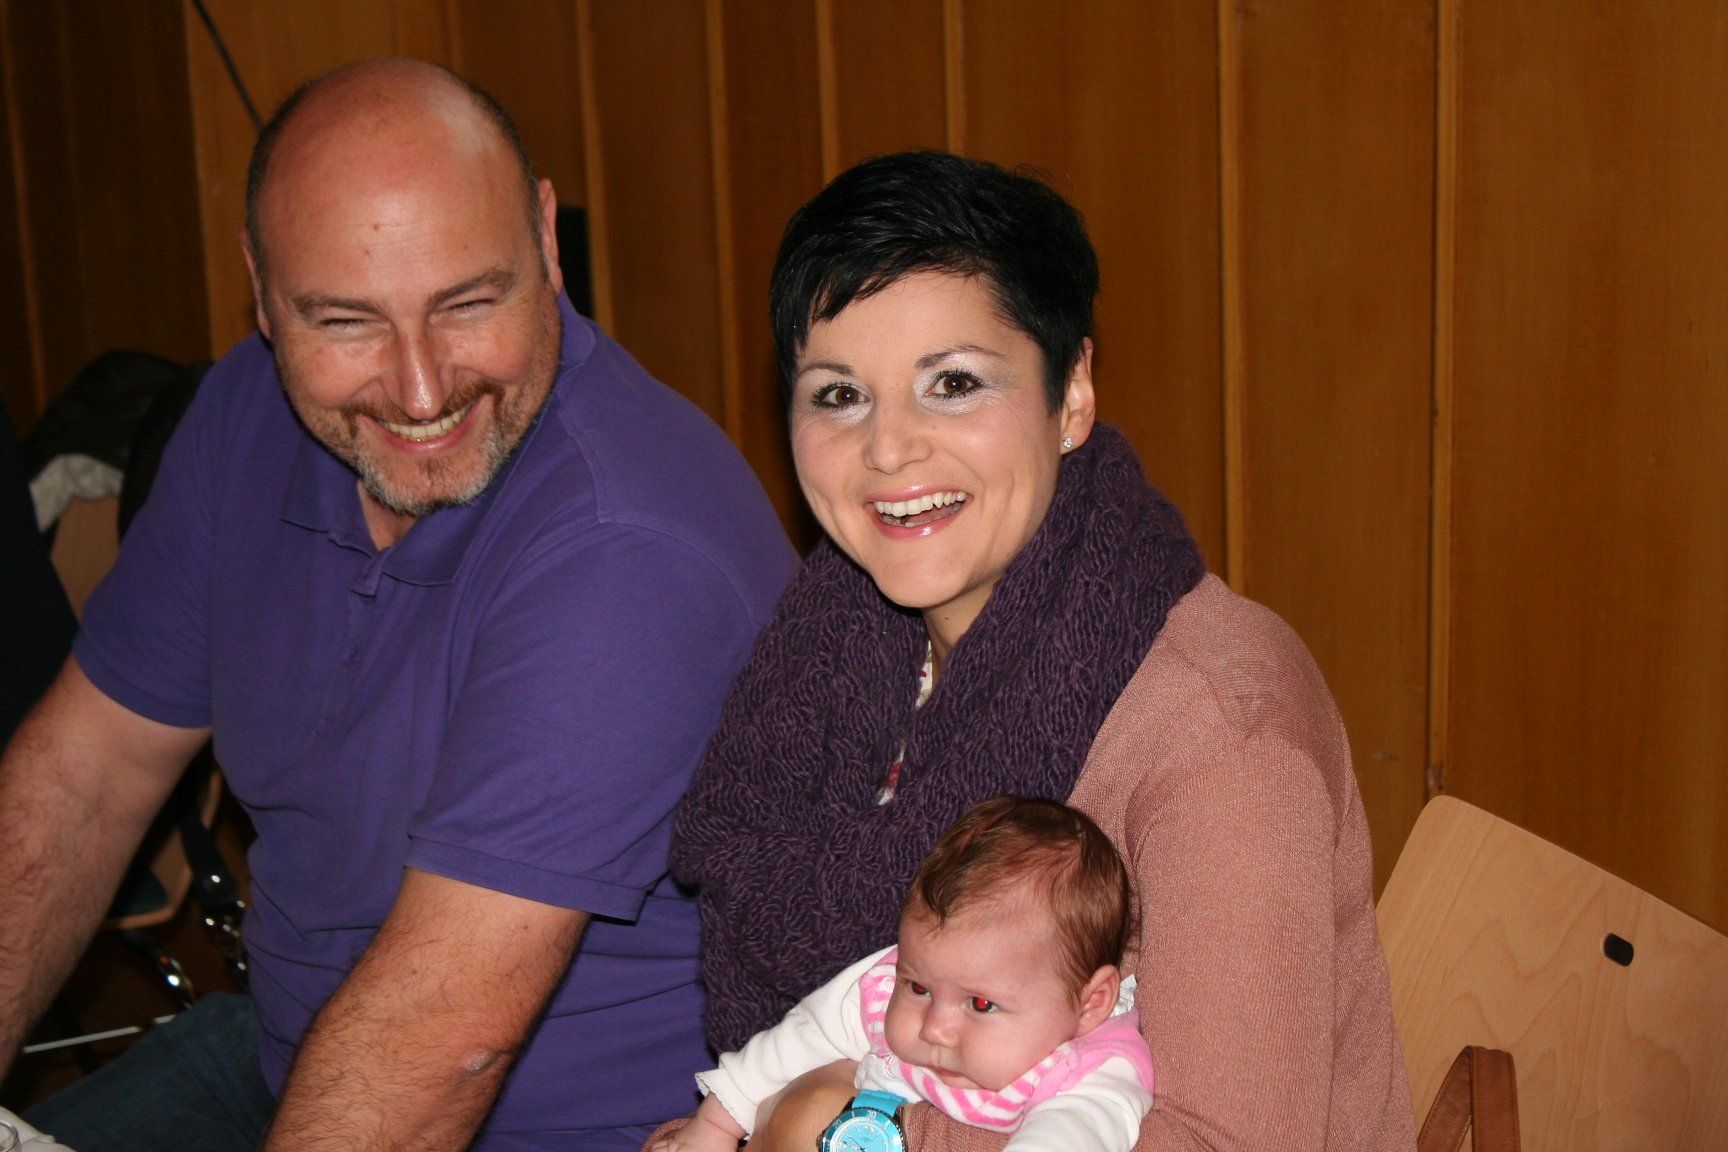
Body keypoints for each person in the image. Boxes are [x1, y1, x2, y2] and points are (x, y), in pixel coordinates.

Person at [0, 59, 794, 1151]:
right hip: (288, 1051)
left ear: (546, 241)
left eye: (468, 304)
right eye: (346, 323)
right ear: (261, 292)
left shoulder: (631, 545)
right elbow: (84, 778)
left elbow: (444, 1040)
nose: (422, 392)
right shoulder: (244, 414)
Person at [663, 151, 1417, 1151]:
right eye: (839, 395)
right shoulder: (834, 654)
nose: (888, 449)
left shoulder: (1220, 733)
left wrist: (837, 1123)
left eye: (953, 384)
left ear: (1072, 395)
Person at [657, 797, 1154, 1152]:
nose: (934, 1028)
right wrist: (717, 1124)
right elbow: (801, 1037)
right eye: (918, 988)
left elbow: (1075, 1133)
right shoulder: (890, 981)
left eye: (981, 1005)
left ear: (1090, 1004)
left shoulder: (1088, 1071)